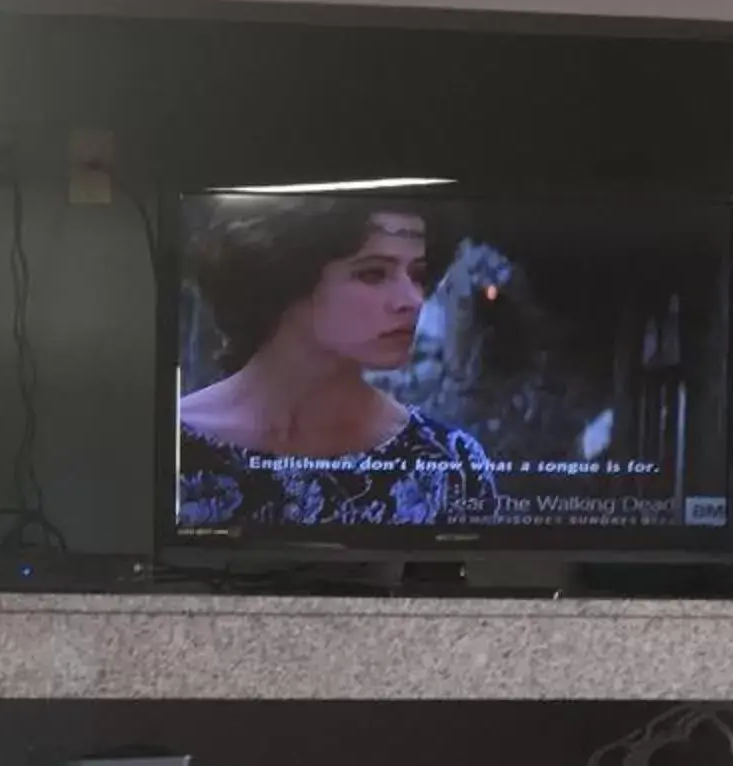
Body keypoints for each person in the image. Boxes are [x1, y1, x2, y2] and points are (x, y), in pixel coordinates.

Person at [176, 200, 498, 531]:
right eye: (373, 273)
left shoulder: (451, 463)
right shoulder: (169, 447)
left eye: (417, 274)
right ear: (284, 278)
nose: (412, 300)